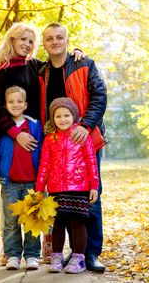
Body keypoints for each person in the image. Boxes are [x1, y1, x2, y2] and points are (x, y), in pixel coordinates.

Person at [0, 22, 84, 263]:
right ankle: (11, 249)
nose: (26, 44)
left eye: (30, 41)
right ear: (12, 41)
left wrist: (78, 50)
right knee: (10, 201)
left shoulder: (35, 65)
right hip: (12, 136)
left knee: (39, 192)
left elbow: (59, 61)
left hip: (37, 135)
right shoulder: (3, 70)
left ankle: (43, 247)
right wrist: (16, 134)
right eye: (22, 40)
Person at [38, 22, 107, 273]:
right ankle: (74, 253)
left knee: (91, 197)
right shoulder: (41, 71)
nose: (55, 42)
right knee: (64, 203)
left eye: (59, 38)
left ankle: (91, 254)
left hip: (84, 140)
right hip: (56, 146)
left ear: (67, 41)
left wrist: (85, 125)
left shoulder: (84, 64)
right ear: (43, 44)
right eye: (49, 39)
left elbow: (100, 96)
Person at [36, 97, 99, 274]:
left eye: (66, 115)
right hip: (56, 188)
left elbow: (91, 162)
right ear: (52, 119)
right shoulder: (50, 140)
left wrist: (94, 185)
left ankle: (79, 258)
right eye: (58, 116)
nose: (62, 119)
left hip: (79, 188)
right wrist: (40, 188)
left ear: (74, 116)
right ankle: (56, 256)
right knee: (57, 223)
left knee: (78, 223)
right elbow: (44, 166)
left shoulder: (81, 136)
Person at [0, 86, 43, 270]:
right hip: (9, 183)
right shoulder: (2, 129)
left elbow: (43, 152)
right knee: (11, 222)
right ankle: (13, 255)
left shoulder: (34, 125)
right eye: (11, 102)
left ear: (25, 105)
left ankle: (33, 255)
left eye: (19, 101)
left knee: (32, 219)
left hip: (32, 183)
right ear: (5, 105)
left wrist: (43, 178)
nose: (15, 105)